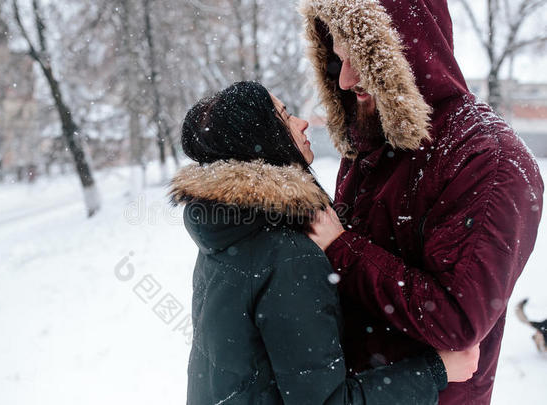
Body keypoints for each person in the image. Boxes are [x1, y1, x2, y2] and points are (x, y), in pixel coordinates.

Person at [170, 81, 479, 405]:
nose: (301, 122)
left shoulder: (229, 235)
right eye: (285, 116)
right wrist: (435, 371)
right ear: (261, 140)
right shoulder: (288, 256)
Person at [299, 1, 544, 404]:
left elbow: (457, 318)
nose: (344, 80)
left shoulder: (487, 158)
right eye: (340, 60)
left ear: (408, 49)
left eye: (360, 57)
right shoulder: (372, 137)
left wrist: (342, 249)